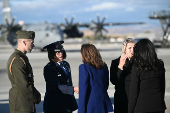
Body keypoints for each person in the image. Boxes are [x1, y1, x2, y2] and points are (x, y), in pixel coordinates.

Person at [128, 38, 166, 113]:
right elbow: (162, 87)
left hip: (142, 108)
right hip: (158, 107)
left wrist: (130, 110)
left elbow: (133, 93)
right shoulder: (160, 65)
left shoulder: (137, 67)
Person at [7, 30, 41, 113]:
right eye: (31, 42)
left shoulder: (21, 57)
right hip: (21, 103)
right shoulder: (17, 60)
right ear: (24, 42)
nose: (33, 45)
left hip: (24, 100)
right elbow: (23, 85)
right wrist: (36, 96)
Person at [43, 41, 78, 113]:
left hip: (67, 103)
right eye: (58, 53)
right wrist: (73, 89)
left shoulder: (65, 64)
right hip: (55, 104)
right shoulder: (49, 68)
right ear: (52, 54)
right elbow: (56, 86)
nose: (61, 54)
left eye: (61, 51)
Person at [78, 44, 113, 113]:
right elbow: (106, 85)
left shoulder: (83, 67)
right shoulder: (103, 66)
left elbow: (83, 91)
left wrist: (81, 110)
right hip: (103, 102)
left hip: (91, 104)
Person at [110, 38, 135, 113]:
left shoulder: (138, 63)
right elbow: (114, 80)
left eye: (134, 48)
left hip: (134, 98)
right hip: (121, 98)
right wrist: (120, 66)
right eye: (130, 48)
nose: (132, 50)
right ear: (124, 49)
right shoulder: (115, 62)